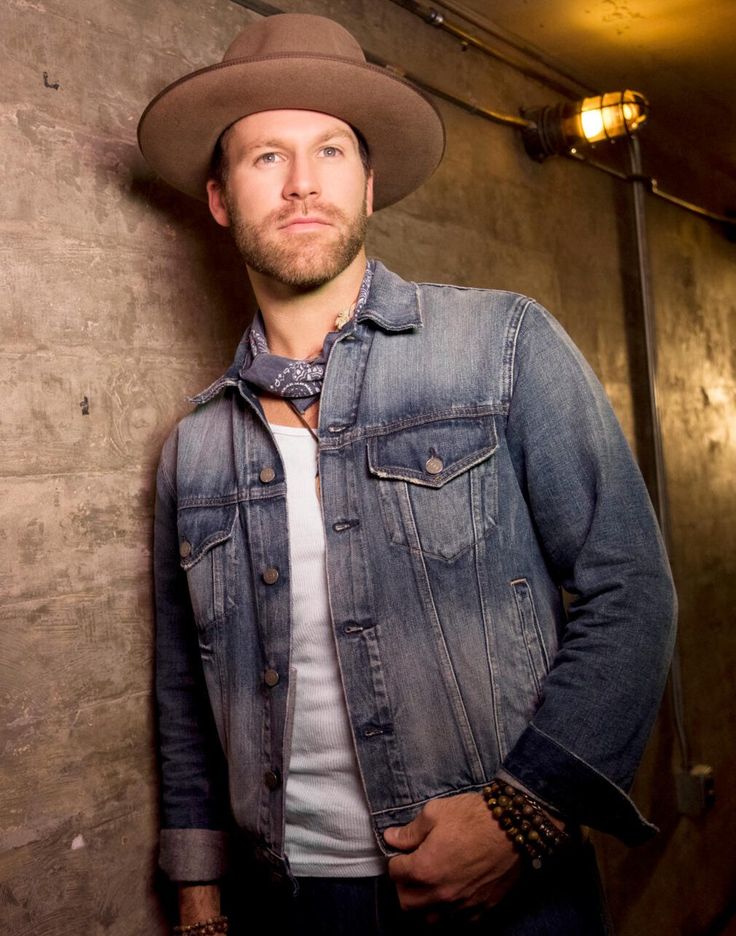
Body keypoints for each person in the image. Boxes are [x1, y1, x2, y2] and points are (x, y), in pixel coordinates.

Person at [139, 13, 677, 936]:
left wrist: (521, 812)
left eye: (332, 151)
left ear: (369, 181)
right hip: (292, 901)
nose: (304, 182)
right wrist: (197, 893)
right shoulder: (194, 447)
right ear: (221, 196)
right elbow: (185, 690)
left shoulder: (502, 345)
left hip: (505, 891)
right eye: (266, 156)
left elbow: (630, 588)